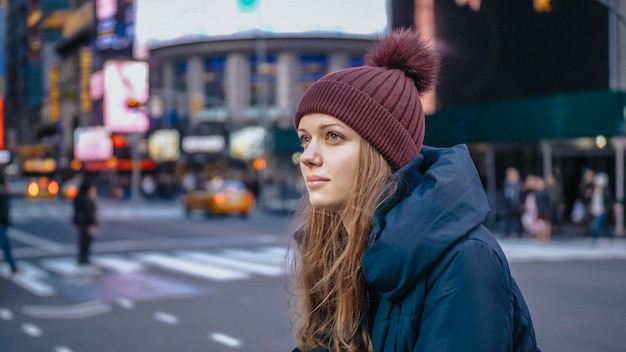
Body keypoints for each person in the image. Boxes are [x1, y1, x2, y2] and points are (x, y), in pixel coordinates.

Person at [288, 29, 540, 352]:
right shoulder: (338, 251)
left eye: (333, 136)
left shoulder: (466, 261)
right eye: (305, 139)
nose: (308, 156)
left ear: (382, 152)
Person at [72, 180, 98, 265]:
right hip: (84, 222)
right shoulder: (85, 198)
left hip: (81, 221)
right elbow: (89, 211)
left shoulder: (79, 196)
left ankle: (83, 257)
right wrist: (93, 221)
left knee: (84, 239)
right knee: (85, 240)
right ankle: (84, 258)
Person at [0, 174, 18, 274]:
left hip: (3, 224)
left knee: (6, 245)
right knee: (6, 244)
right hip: (2, 224)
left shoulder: (4, 195)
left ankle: (13, 266)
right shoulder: (3, 195)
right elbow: (3, 212)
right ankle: (13, 266)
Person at [502, 167, 524, 237]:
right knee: (508, 218)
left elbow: (522, 195)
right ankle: (507, 232)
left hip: (517, 204)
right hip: (508, 204)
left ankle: (519, 232)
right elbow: (504, 195)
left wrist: (521, 203)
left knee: (518, 218)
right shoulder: (506, 184)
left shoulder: (520, 185)